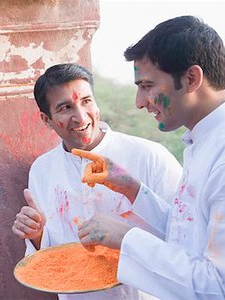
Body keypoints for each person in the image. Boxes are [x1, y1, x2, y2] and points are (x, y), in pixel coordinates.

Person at [75, 16, 225, 299]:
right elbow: (188, 235)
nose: (138, 101)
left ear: (191, 78)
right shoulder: (204, 140)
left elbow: (221, 287)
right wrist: (131, 188)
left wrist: (125, 238)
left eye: (147, 85)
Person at [11, 63, 183, 299]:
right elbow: (51, 254)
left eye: (86, 101)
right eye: (65, 107)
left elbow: (184, 235)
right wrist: (37, 233)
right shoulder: (42, 169)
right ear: (46, 119)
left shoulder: (150, 156)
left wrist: (134, 195)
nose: (81, 116)